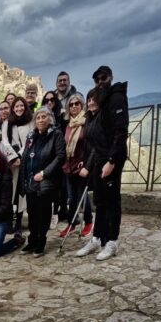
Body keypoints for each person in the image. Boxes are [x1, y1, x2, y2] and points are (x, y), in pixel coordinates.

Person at [76, 67, 128, 261]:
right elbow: (95, 144)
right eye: (97, 79)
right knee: (100, 200)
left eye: (103, 77)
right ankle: (98, 238)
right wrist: (91, 165)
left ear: (110, 77)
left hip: (111, 160)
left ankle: (112, 242)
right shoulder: (96, 112)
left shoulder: (117, 98)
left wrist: (112, 161)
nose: (100, 81)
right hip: (99, 160)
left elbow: (120, 132)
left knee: (112, 201)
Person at [19, 106, 65, 257]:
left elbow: (60, 157)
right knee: (32, 212)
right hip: (31, 180)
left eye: (43, 117)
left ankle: (41, 241)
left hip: (45, 180)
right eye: (38, 117)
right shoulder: (31, 136)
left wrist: (44, 173)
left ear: (50, 118)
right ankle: (32, 240)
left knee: (43, 212)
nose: (40, 120)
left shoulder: (56, 134)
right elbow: (26, 156)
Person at [61, 93, 93, 238]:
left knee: (82, 196)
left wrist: (86, 164)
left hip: (81, 166)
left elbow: (91, 146)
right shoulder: (68, 124)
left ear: (81, 105)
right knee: (71, 197)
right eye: (71, 104)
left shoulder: (86, 123)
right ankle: (72, 223)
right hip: (69, 166)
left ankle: (88, 222)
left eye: (77, 104)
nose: (74, 106)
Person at [1, 97, 33, 240]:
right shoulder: (8, 123)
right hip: (12, 162)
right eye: (16, 106)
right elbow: (5, 142)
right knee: (11, 191)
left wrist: (20, 156)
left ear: (25, 107)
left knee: (21, 192)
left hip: (25, 161)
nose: (19, 109)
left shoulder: (31, 122)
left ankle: (19, 222)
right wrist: (14, 158)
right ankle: (10, 220)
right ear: (13, 108)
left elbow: (30, 141)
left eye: (21, 106)